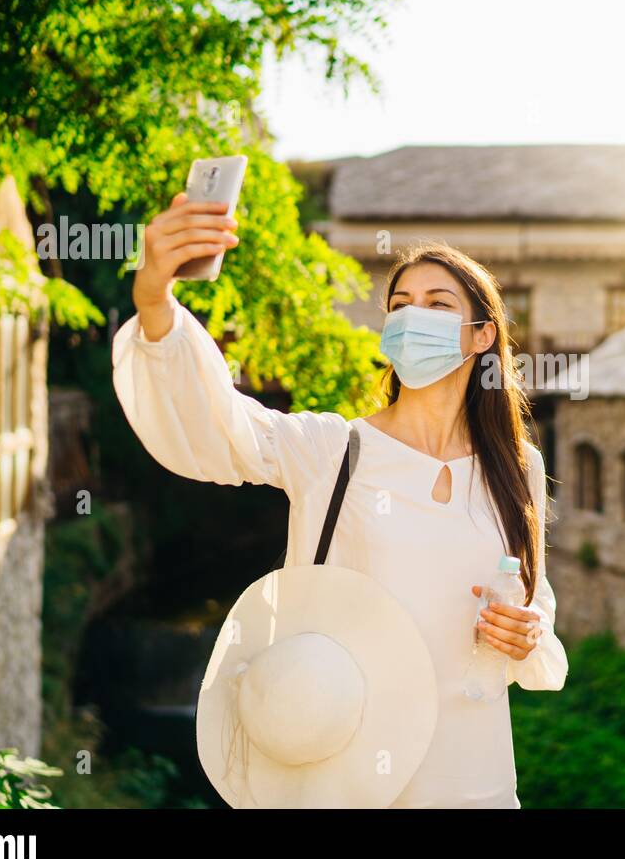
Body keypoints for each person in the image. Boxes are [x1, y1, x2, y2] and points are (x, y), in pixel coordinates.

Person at [112, 193, 569, 808]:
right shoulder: (333, 449)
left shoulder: (519, 470)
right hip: (347, 778)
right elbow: (215, 427)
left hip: (474, 779)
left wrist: (529, 635)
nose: (413, 317)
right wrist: (153, 301)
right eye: (400, 305)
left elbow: (533, 607)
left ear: (483, 335)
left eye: (438, 304)